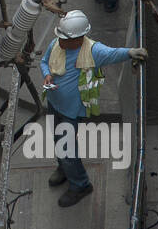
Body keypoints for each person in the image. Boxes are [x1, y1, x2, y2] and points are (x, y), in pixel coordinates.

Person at [39, 10, 147, 207]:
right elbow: (44, 62)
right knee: (58, 142)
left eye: (65, 39)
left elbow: (112, 54)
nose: (60, 41)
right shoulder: (55, 44)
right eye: (60, 37)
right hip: (54, 103)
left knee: (67, 148)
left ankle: (80, 184)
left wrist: (131, 52)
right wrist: (47, 74)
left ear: (80, 38)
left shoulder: (92, 51)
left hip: (71, 111)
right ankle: (64, 168)